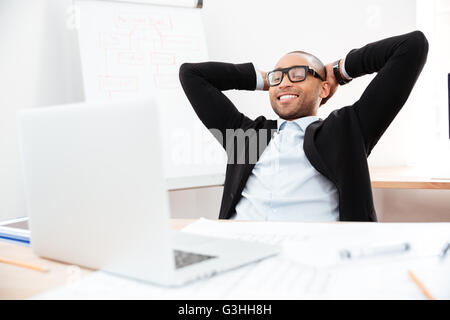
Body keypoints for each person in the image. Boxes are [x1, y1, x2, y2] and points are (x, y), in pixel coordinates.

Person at [179, 31, 428, 222]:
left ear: (324, 88)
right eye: (279, 76)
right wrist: (265, 80)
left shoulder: (347, 130)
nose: (285, 82)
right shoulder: (247, 137)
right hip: (241, 249)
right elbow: (191, 74)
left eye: (298, 73)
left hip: (316, 256)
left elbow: (412, 46)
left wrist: (339, 71)